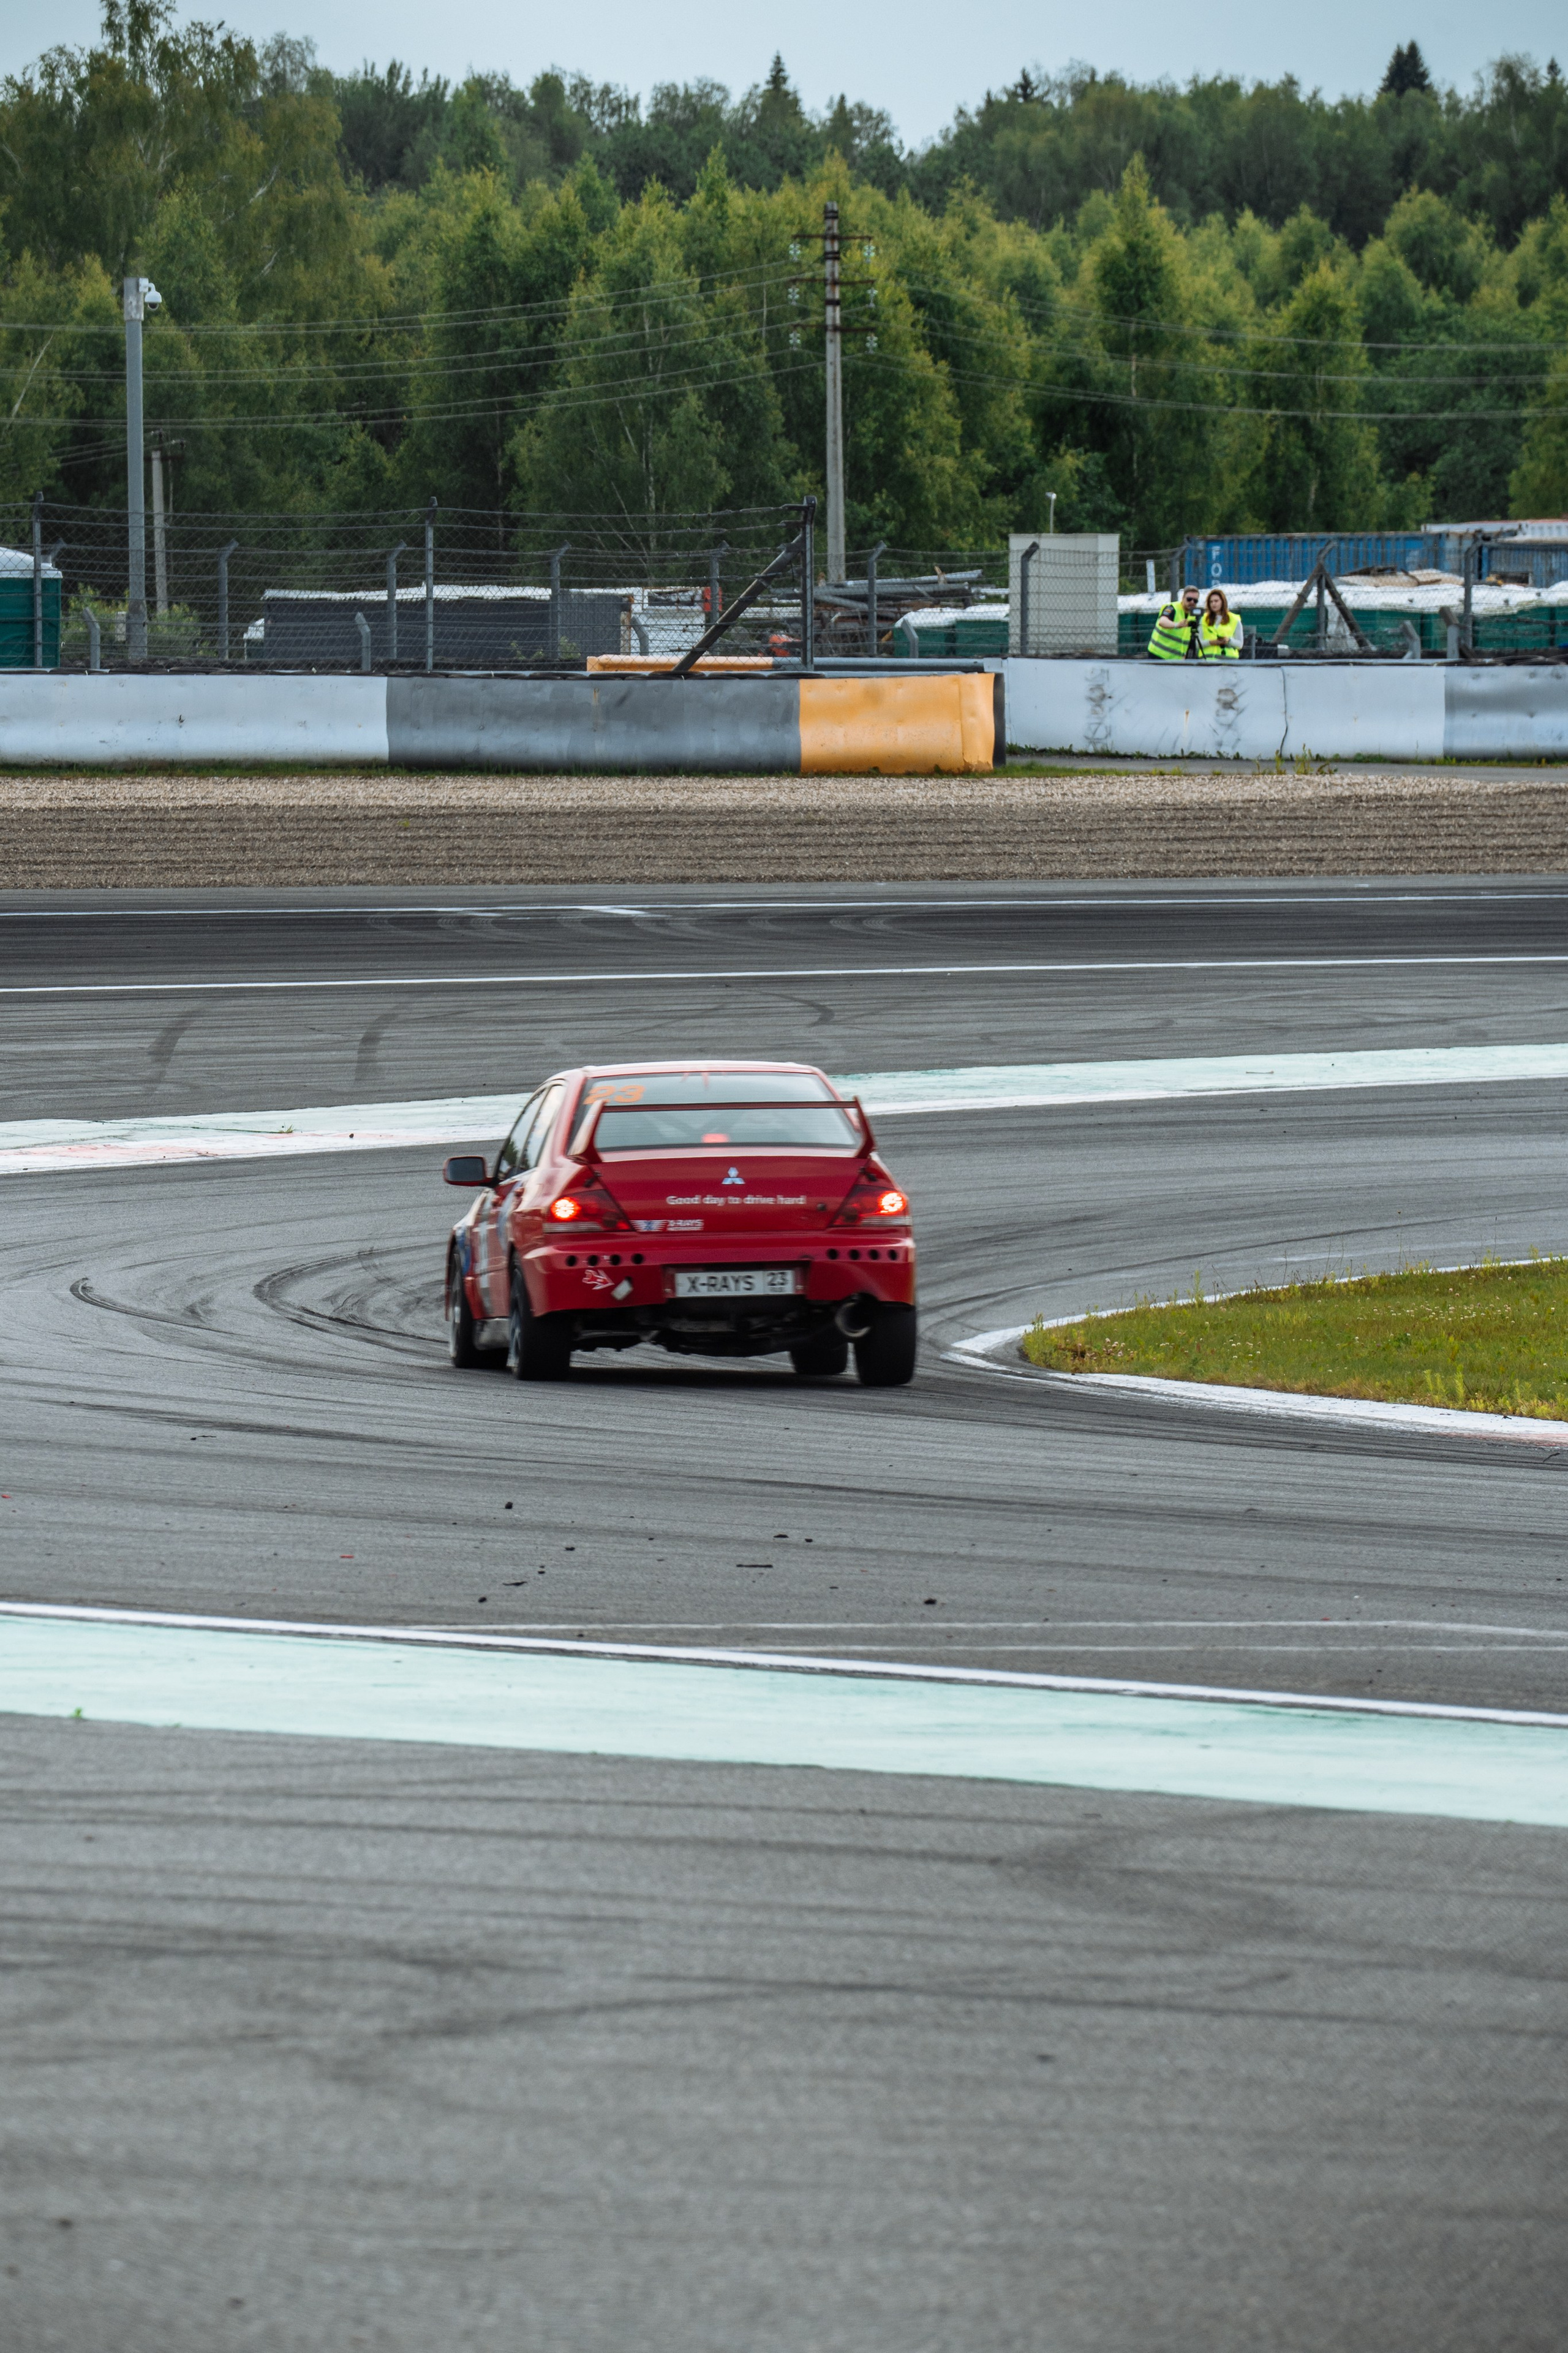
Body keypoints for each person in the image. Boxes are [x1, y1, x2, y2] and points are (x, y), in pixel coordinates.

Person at [1148, 584, 1199, 660]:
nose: (1192, 602)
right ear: (1183, 598)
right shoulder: (1172, 608)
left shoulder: (1193, 615)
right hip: (1158, 654)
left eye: (1195, 601)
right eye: (1189, 599)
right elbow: (1162, 621)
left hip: (1175, 659)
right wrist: (1177, 625)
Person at [1199, 587, 1243, 659]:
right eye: (1211, 602)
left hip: (1228, 662)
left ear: (1223, 601)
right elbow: (1198, 644)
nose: (1213, 604)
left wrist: (1228, 640)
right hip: (1207, 661)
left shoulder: (1235, 619)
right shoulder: (1204, 619)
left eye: (1216, 601)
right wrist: (1211, 642)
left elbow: (1240, 645)